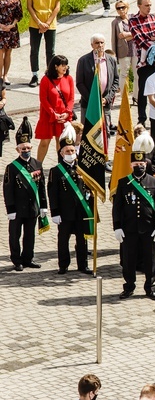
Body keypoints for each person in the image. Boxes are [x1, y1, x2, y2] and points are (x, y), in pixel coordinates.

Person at [112, 142, 155, 300]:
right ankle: (129, 287)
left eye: (142, 164)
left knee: (150, 260)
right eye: (136, 164)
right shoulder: (123, 182)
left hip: (148, 228)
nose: (139, 166)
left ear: (146, 164)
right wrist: (117, 227)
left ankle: (150, 287)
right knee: (129, 259)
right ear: (131, 164)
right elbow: (117, 207)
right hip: (129, 228)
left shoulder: (154, 182)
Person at [48, 125, 92, 275]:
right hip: (65, 212)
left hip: (80, 212)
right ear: (61, 153)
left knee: (82, 240)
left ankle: (83, 265)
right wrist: (55, 212)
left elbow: (88, 189)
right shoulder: (56, 171)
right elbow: (52, 193)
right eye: (67, 151)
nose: (70, 153)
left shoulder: (82, 169)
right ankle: (63, 265)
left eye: (72, 150)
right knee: (63, 240)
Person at [4, 121, 47, 271]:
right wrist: (10, 210)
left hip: (32, 208)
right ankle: (17, 260)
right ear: (18, 150)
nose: (26, 151)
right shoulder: (11, 167)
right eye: (23, 149)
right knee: (15, 236)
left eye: (28, 148)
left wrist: (44, 206)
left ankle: (28, 258)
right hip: (18, 208)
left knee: (30, 235)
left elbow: (42, 187)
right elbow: (7, 190)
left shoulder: (37, 164)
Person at [24, 0, 63, 88]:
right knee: (34, 49)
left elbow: (57, 6)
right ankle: (35, 74)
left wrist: (47, 23)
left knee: (50, 51)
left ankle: (50, 73)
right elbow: (29, 6)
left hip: (50, 23)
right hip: (35, 23)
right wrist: (39, 22)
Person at [76, 33, 119, 134]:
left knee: (105, 133)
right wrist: (93, 100)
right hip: (89, 105)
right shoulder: (83, 60)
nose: (100, 45)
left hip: (105, 104)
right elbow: (79, 83)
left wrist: (107, 98)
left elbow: (116, 80)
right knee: (89, 133)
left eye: (102, 43)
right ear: (92, 45)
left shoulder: (111, 60)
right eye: (97, 43)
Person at [35, 55, 75, 163]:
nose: (65, 67)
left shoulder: (69, 79)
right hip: (48, 115)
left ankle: (62, 165)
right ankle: (38, 166)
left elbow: (71, 99)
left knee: (61, 142)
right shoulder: (45, 79)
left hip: (63, 116)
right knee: (45, 142)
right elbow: (43, 99)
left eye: (66, 65)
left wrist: (67, 113)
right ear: (56, 66)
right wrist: (53, 113)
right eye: (63, 65)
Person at [129, 0, 155, 126]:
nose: (149, 8)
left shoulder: (154, 18)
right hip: (144, 62)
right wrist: (153, 44)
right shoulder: (133, 20)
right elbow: (139, 39)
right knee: (142, 91)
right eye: (146, 5)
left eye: (150, 5)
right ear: (139, 6)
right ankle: (141, 119)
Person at [111, 0, 137, 102]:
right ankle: (123, 97)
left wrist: (127, 35)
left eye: (123, 7)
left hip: (135, 49)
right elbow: (117, 38)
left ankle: (136, 96)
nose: (121, 10)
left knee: (137, 74)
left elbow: (139, 31)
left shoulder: (133, 18)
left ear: (127, 7)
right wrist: (114, 54)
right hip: (123, 51)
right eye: (118, 8)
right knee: (123, 73)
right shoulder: (115, 22)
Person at [0, 0, 23, 85]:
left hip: (11, 29)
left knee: (8, 53)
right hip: (0, 28)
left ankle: (5, 76)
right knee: (0, 53)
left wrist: (12, 25)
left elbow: (19, 13)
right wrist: (1, 26)